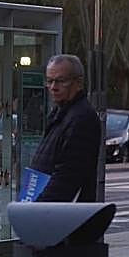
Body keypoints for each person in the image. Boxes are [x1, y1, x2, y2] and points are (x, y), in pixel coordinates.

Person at [28, 54, 99, 202]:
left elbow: (68, 176)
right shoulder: (60, 113)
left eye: (61, 81)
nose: (53, 87)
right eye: (49, 81)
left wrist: (38, 207)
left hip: (56, 210)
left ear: (78, 83)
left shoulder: (81, 118)